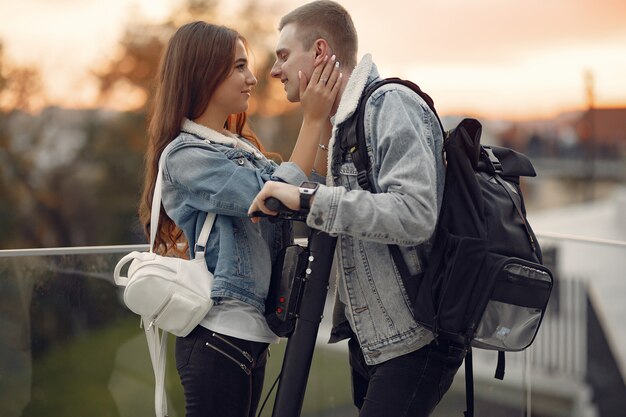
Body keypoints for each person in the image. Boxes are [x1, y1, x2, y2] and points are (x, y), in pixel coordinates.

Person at [248, 2, 465, 416]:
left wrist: (311, 199)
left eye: (283, 55)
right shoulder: (347, 123)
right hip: (374, 336)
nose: (274, 71)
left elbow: (415, 213)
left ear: (320, 51)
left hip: (416, 336)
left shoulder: (389, 105)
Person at [139, 21, 341, 417]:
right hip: (218, 337)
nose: (251, 78)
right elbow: (276, 198)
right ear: (202, 73)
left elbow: (310, 182)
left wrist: (326, 107)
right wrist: (312, 119)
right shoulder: (186, 156)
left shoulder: (240, 148)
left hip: (249, 336)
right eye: (237, 67)